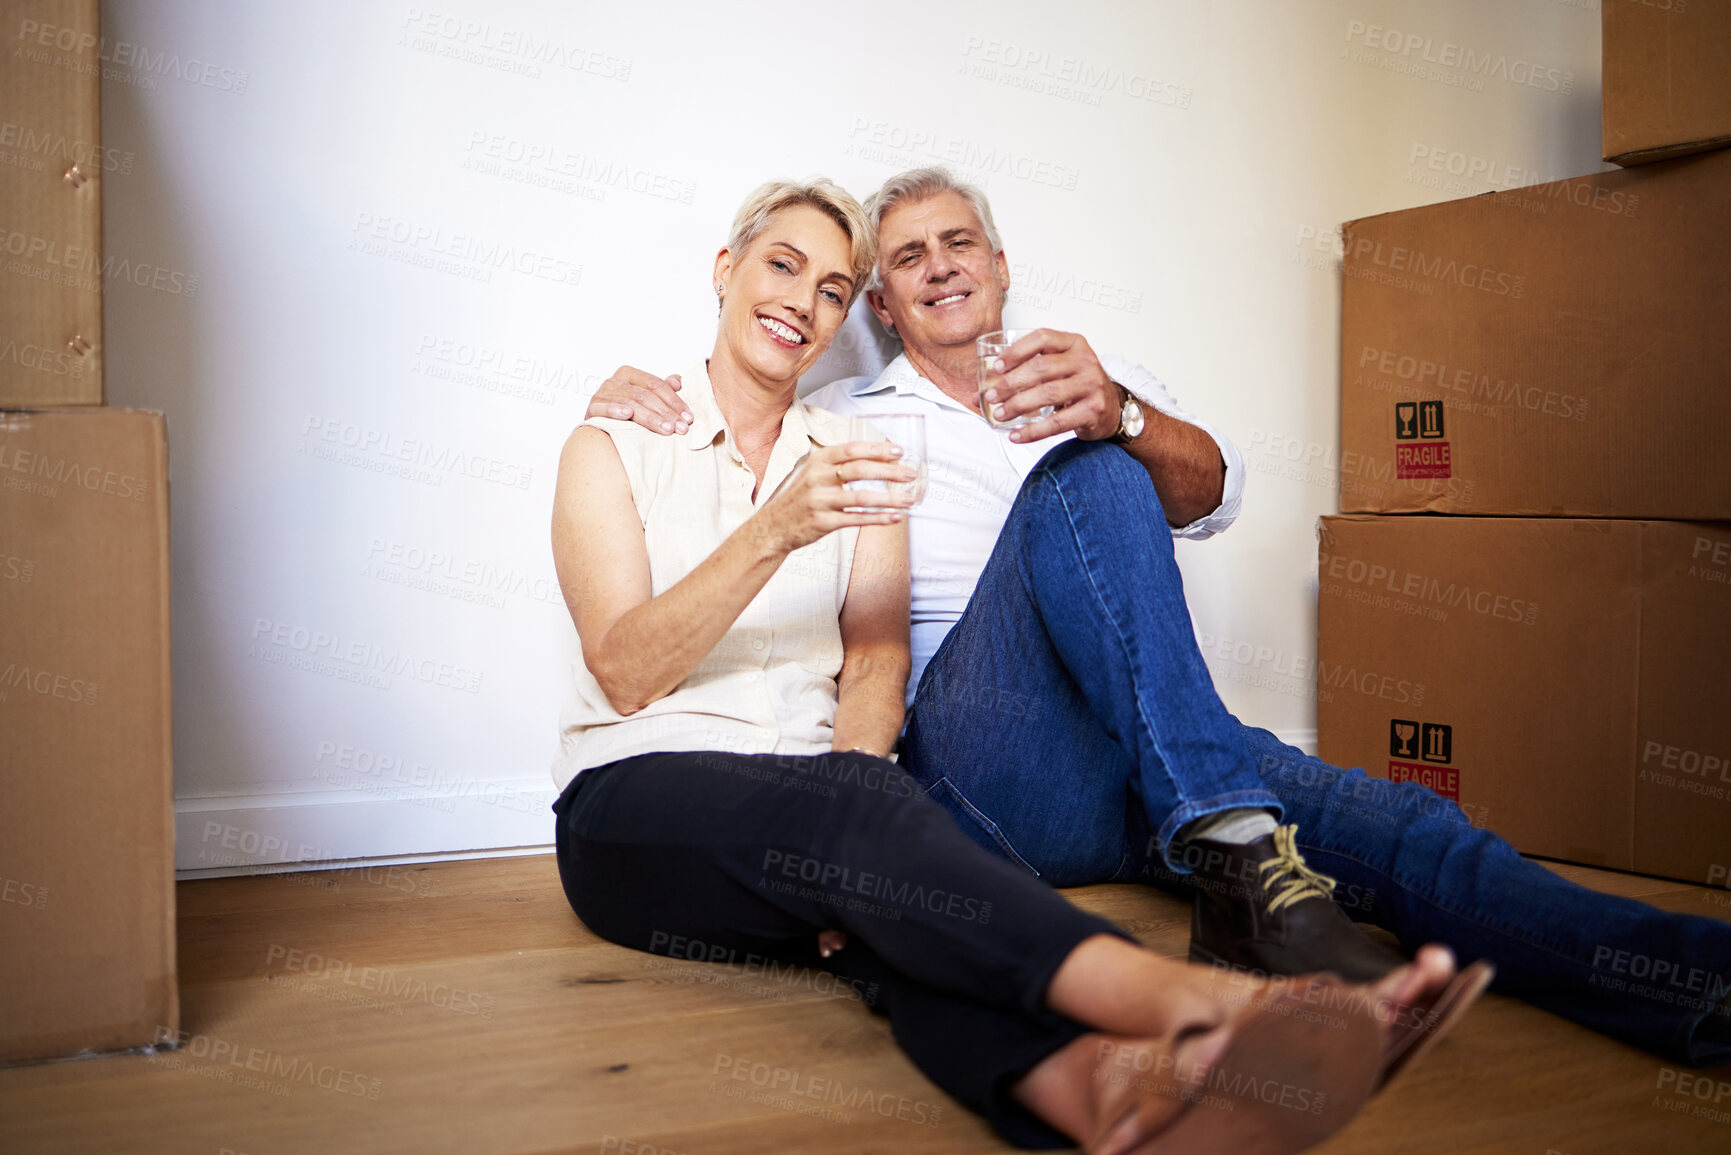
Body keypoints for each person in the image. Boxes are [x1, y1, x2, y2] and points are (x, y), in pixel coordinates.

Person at [587, 166, 1731, 1067]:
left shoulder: (1086, 368)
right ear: (876, 303)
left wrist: (1122, 412)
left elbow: (1218, 493)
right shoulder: (842, 415)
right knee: (1081, 479)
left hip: (1154, 749)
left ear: (999, 262)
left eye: (959, 242)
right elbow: (734, 405)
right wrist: (625, 390)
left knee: (1406, 833)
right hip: (983, 768)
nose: (939, 268)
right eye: (904, 260)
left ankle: (1695, 989)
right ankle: (1232, 837)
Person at [549, 176, 1470, 1154]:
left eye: (829, 289)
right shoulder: (614, 444)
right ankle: (1200, 1005)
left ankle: (1097, 1091)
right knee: (865, 814)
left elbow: (874, 666)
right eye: (783, 266)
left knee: (904, 915)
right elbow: (623, 670)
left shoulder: (859, 452)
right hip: (635, 803)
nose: (802, 301)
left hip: (815, 810)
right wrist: (776, 530)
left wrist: (854, 840)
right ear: (726, 270)